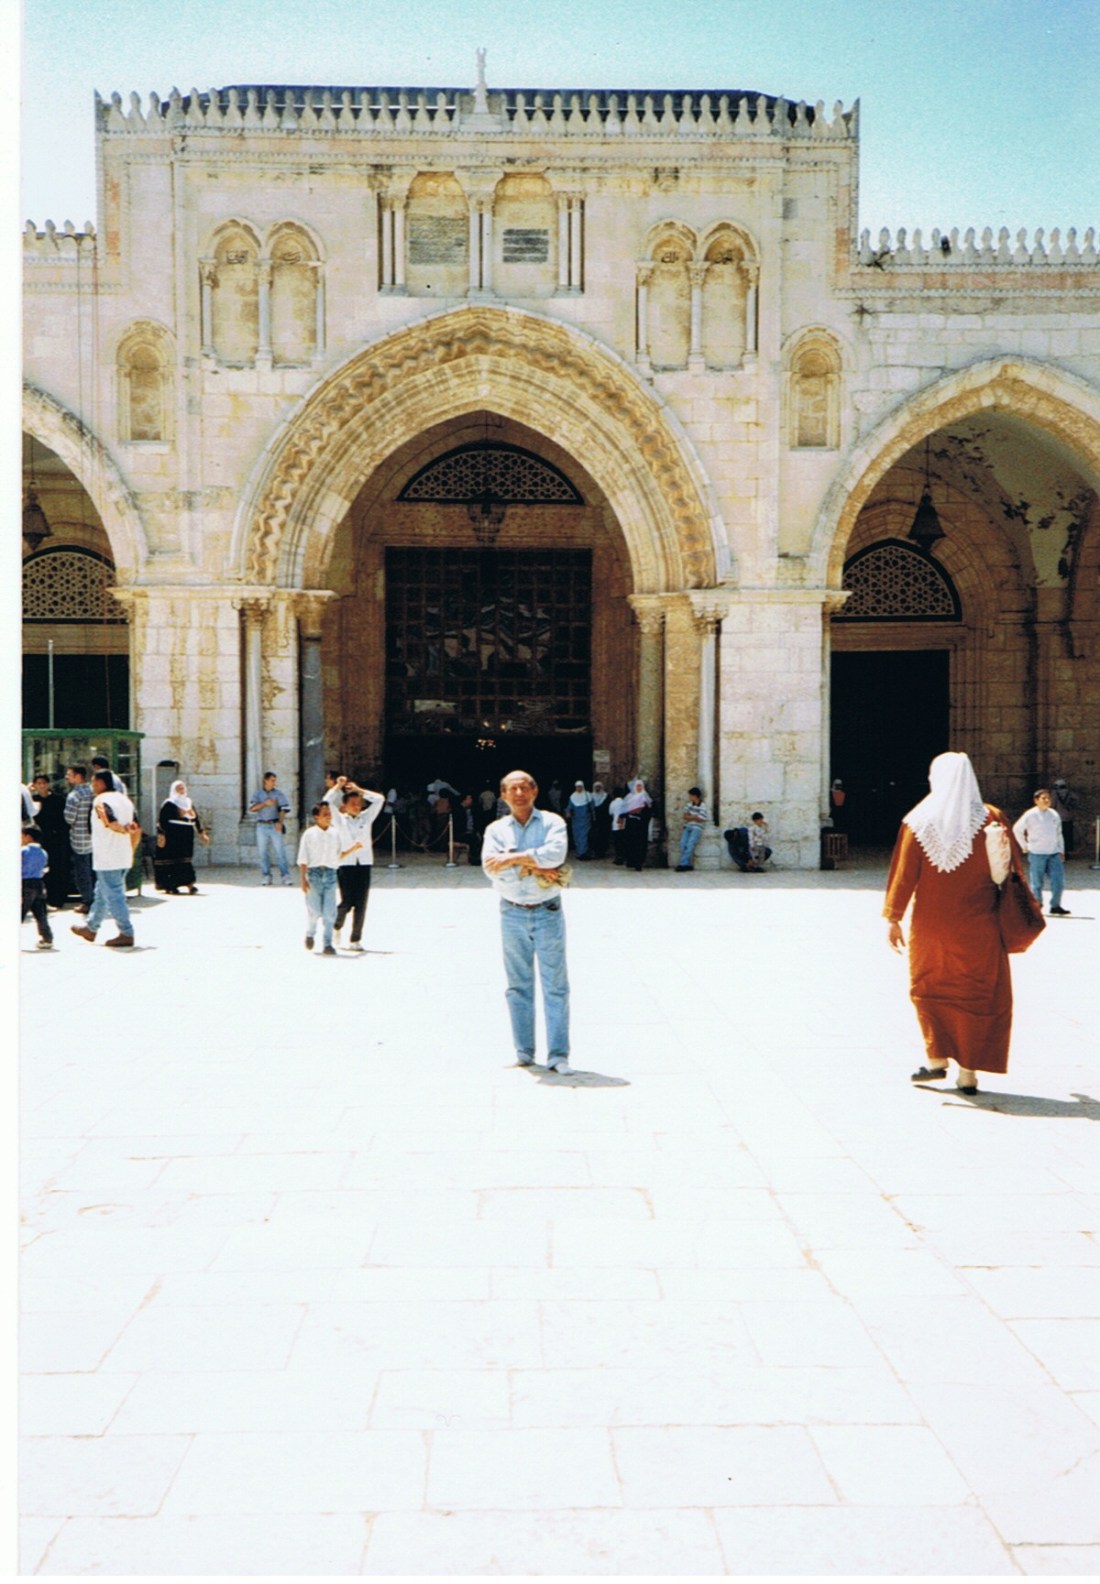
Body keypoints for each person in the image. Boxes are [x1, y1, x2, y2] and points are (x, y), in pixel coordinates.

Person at [884, 750, 1028, 1096]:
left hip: (931, 927)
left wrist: (894, 917)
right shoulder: (992, 818)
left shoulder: (917, 821)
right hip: (980, 926)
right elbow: (1011, 868)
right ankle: (968, 1073)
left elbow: (904, 875)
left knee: (929, 987)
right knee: (978, 994)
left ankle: (936, 1060)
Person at [482, 769, 574, 1075]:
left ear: (535, 791)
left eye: (524, 788)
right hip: (512, 912)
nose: (519, 794)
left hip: (547, 910)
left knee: (555, 985)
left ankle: (558, 1054)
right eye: (513, 789)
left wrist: (511, 858)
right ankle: (524, 1051)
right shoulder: (496, 830)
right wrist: (534, 864)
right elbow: (491, 868)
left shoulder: (552, 823)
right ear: (503, 795)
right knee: (517, 985)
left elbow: (555, 855)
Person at [70, 769, 138, 949]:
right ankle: (91, 928)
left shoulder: (101, 800)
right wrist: (131, 847)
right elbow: (136, 827)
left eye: (94, 783)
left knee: (114, 895)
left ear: (100, 783)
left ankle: (126, 932)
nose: (92, 787)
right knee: (102, 892)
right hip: (123, 854)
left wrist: (121, 828)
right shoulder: (125, 800)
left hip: (108, 856)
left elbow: (108, 820)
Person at [324, 775, 385, 950]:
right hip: (346, 863)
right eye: (353, 804)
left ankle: (355, 939)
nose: (357, 807)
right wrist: (337, 787)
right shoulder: (339, 820)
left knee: (361, 902)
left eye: (359, 804)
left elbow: (379, 799)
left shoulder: (366, 818)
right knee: (347, 900)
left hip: (364, 862)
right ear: (344, 806)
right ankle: (337, 924)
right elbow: (326, 801)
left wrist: (359, 790)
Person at [297, 801, 362, 955]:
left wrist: (353, 849)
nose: (328, 817)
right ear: (316, 817)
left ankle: (327, 943)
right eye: (325, 814)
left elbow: (338, 855)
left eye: (329, 814)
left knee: (329, 912)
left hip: (331, 874)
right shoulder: (309, 834)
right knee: (314, 910)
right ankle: (310, 933)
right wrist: (303, 879)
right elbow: (303, 858)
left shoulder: (335, 833)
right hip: (314, 874)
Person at [1013, 789, 1069, 917]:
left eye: (1048, 798)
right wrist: (1024, 846)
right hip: (1037, 853)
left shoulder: (1054, 814)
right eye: (1043, 798)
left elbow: (1059, 833)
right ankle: (1037, 904)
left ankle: (1055, 905)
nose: (1047, 800)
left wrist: (1061, 850)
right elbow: (1017, 829)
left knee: (1058, 881)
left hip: (1053, 853)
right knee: (1037, 882)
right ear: (1036, 800)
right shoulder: (1030, 814)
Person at [155, 780, 209, 894]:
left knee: (186, 859)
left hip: (186, 833)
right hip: (173, 833)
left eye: (182, 788)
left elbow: (196, 819)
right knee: (173, 859)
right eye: (178, 788)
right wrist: (162, 834)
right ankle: (171, 885)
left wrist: (202, 833)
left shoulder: (188, 802)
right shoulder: (169, 803)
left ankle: (190, 884)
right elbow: (162, 819)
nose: (181, 790)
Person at [30, 773, 71, 908]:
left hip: (56, 839)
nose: (41, 786)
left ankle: (57, 898)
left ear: (48, 784)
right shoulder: (32, 801)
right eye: (38, 783)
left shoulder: (58, 800)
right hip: (39, 839)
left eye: (44, 783)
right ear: (35, 785)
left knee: (57, 868)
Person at [249, 771, 292, 885]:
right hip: (261, 826)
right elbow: (252, 808)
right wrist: (265, 804)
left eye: (275, 781)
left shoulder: (278, 794)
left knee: (280, 851)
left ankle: (285, 875)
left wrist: (280, 822)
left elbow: (283, 809)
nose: (274, 783)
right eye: (272, 780)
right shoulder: (258, 794)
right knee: (263, 852)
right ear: (266, 780)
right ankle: (266, 875)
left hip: (274, 824)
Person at [63, 764, 95, 913]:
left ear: (78, 776)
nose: (67, 777)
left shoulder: (74, 795)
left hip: (79, 838)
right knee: (93, 871)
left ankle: (87, 901)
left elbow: (69, 818)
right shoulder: (93, 791)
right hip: (94, 838)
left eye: (69, 774)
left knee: (82, 872)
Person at [22, 826, 54, 950]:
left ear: (28, 837)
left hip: (25, 883)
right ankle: (47, 938)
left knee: (19, 912)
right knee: (41, 913)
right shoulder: (43, 852)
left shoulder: (23, 851)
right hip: (39, 883)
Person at [620, 779, 652, 871]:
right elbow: (624, 809)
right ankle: (631, 861)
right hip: (630, 822)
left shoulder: (645, 796)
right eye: (637, 786)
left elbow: (648, 809)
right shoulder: (629, 797)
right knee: (630, 841)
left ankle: (639, 862)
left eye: (640, 786)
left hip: (641, 823)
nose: (638, 787)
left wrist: (640, 810)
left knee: (640, 842)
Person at [675, 787, 709, 871]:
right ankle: (687, 864)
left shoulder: (703, 805)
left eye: (691, 795)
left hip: (697, 828)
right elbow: (685, 816)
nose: (689, 797)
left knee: (690, 844)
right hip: (688, 826)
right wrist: (695, 816)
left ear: (695, 796)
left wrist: (691, 816)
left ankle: (683, 864)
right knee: (683, 843)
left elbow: (701, 818)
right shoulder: (689, 804)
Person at [566, 780, 595, 859]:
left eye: (580, 787)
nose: (578, 788)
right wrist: (568, 812)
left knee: (584, 836)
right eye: (577, 787)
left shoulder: (588, 795)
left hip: (586, 819)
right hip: (576, 820)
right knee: (577, 836)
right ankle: (579, 852)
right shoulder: (573, 796)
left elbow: (592, 807)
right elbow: (569, 807)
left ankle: (583, 853)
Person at [1050, 778, 1078, 855]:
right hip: (1068, 817)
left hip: (1058, 817)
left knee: (1059, 836)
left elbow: (1052, 805)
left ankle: (1061, 852)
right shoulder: (1069, 793)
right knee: (1067, 835)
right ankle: (1067, 852)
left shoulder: (1055, 794)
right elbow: (1076, 801)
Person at [590, 781, 611, 858]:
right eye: (596, 787)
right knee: (594, 836)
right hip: (594, 820)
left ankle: (602, 852)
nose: (597, 788)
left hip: (604, 820)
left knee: (603, 836)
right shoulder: (590, 797)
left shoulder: (606, 796)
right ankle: (595, 851)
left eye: (599, 787)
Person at [608, 785, 627, 865]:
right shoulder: (625, 802)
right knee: (624, 841)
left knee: (617, 842)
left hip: (616, 824)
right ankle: (624, 857)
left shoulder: (613, 803)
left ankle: (618, 857)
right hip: (624, 824)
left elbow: (610, 813)